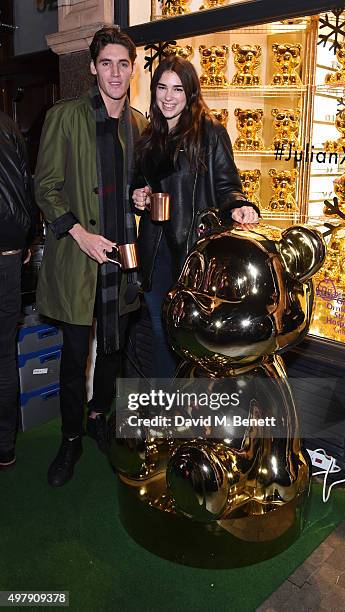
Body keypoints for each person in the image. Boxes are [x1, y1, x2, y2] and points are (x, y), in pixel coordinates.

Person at [35, 26, 147, 487]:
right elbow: (45, 188)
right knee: (75, 353)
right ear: (93, 69)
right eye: (107, 63)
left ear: (132, 70)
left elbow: (138, 186)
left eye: (124, 64)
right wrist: (78, 233)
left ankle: (100, 418)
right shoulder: (64, 116)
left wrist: (141, 197)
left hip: (122, 260)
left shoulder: (138, 123)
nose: (115, 72)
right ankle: (70, 438)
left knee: (114, 352)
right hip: (79, 258)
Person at [132, 56, 259, 377]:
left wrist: (239, 205)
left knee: (194, 343)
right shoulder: (150, 136)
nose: (168, 96)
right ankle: (167, 417)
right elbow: (139, 184)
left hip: (194, 259)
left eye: (177, 88)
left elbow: (229, 185)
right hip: (155, 253)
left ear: (190, 93)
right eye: (162, 87)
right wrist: (138, 195)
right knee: (162, 337)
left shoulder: (209, 133)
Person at [0, 110, 35, 470]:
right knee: (4, 354)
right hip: (9, 252)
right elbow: (29, 185)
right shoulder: (10, 125)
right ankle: (4, 447)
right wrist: (26, 240)